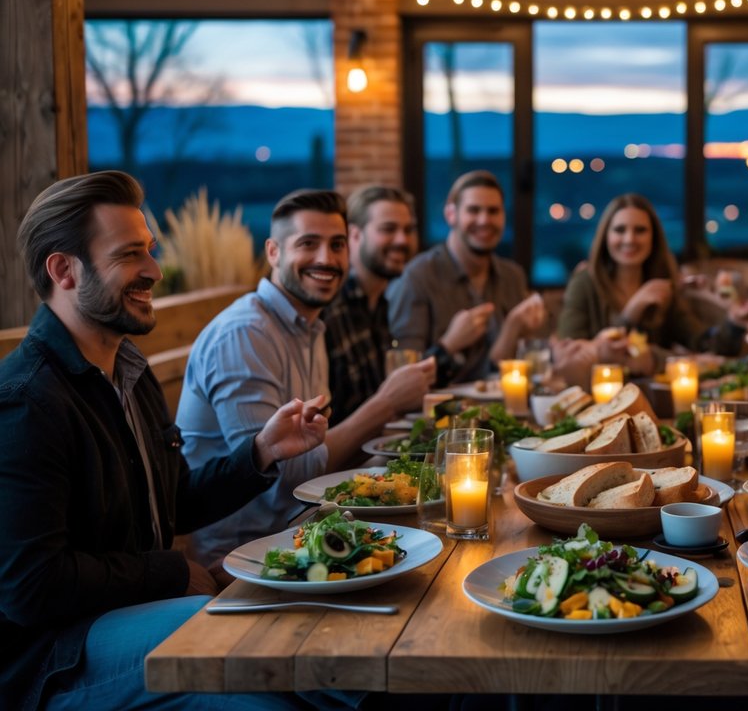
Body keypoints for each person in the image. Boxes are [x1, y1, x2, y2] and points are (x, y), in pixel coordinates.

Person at [0, 171, 332, 710]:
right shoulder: (27, 401)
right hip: (54, 659)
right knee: (259, 652)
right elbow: (30, 586)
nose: (154, 270)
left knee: (296, 637)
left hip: (136, 615)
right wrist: (174, 572)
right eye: (131, 255)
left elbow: (172, 501)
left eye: (151, 251)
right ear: (63, 270)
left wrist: (261, 453)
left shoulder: (129, 370)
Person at [178, 190, 435, 567]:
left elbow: (311, 459)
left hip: (301, 532)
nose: (325, 259)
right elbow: (282, 480)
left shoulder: (310, 327)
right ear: (273, 252)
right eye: (308, 244)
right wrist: (386, 404)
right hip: (244, 557)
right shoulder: (245, 334)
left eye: (337, 245)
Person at [387, 170, 546, 386]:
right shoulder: (418, 277)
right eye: (473, 210)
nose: (484, 220)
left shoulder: (513, 276)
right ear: (451, 214)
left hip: (503, 411)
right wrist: (449, 344)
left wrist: (515, 327)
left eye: (493, 211)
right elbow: (402, 377)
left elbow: (510, 367)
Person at [556, 194, 737, 375]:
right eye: (619, 230)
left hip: (655, 399)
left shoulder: (663, 285)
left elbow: (705, 344)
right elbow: (570, 356)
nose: (629, 239)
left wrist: (735, 320)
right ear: (605, 236)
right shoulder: (584, 283)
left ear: (654, 238)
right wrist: (631, 313)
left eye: (640, 230)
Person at [324, 185, 419, 424]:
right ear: (354, 235)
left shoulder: (379, 302)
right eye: (388, 229)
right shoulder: (329, 307)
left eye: (408, 230)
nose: (402, 240)